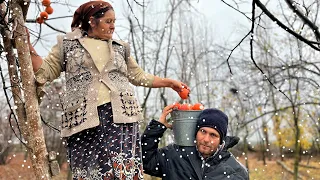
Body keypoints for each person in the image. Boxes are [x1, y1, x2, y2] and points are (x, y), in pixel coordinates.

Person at [27, 1, 188, 179]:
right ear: (92, 21)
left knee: (121, 170)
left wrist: (168, 83)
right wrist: (27, 45)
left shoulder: (120, 48)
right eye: (108, 21)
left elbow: (138, 76)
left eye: (114, 21)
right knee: (91, 170)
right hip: (83, 119)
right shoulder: (67, 45)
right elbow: (45, 71)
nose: (113, 26)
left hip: (120, 118)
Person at [141, 104, 249, 180]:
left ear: (221, 140)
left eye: (213, 135)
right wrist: (158, 127)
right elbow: (144, 161)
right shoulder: (174, 155)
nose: (206, 139)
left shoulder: (236, 172)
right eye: (203, 131)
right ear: (196, 132)